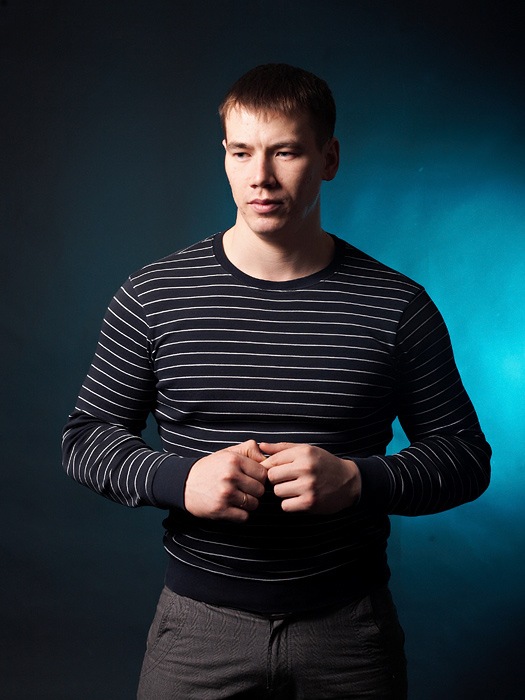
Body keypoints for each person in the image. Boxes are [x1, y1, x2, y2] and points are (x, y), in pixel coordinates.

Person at [62, 63, 491, 699]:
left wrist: (358, 480)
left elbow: (465, 457)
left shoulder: (397, 306)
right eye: (241, 152)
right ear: (225, 157)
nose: (259, 176)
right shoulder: (154, 296)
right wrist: (179, 480)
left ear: (329, 158)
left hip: (349, 634)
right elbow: (85, 439)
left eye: (285, 151)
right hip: (197, 633)